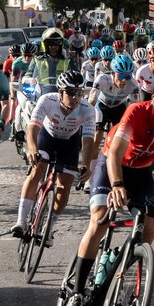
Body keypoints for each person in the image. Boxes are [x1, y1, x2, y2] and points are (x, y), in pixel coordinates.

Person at [63, 74, 154, 306]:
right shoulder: (136, 111)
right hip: (111, 166)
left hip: (141, 172)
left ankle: (118, 265)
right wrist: (116, 185)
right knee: (100, 219)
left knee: (151, 225)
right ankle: (76, 294)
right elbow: (114, 154)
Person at [11, 71, 97, 247]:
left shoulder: (87, 109)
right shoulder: (47, 100)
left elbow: (88, 141)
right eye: (71, 93)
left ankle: (49, 227)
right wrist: (32, 150)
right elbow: (33, 128)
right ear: (60, 92)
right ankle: (21, 221)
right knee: (37, 170)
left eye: (79, 93)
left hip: (69, 143)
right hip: (47, 137)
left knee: (65, 186)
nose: (75, 97)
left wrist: (86, 165)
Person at [88, 55, 140, 181]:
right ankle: (90, 176)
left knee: (121, 139)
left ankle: (118, 172)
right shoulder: (102, 79)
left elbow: (135, 108)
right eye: (121, 76)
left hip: (119, 107)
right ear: (112, 73)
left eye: (128, 76)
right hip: (102, 106)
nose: (124, 80)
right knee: (97, 136)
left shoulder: (133, 84)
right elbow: (91, 102)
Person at [30, 28, 72, 95]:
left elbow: (74, 78)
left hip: (60, 95)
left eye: (56, 44)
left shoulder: (66, 62)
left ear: (60, 46)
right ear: (45, 45)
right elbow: (28, 75)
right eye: (51, 44)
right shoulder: (37, 60)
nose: (54, 47)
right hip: (40, 94)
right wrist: (30, 80)